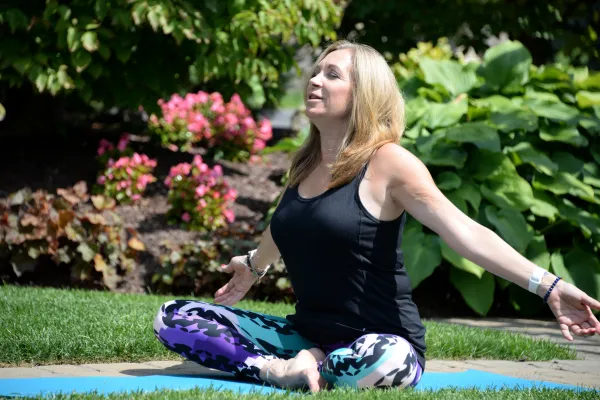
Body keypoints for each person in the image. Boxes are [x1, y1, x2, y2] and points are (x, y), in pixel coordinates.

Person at [154, 40, 600, 392]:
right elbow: (287, 225)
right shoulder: (306, 163)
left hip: (378, 340)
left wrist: (549, 286)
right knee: (175, 318)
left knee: (389, 363)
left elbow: (464, 232)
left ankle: (310, 368)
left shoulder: (388, 163)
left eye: (331, 74)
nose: (314, 80)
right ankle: (282, 369)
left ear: (363, 93)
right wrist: (253, 267)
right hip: (304, 333)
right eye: (315, 71)